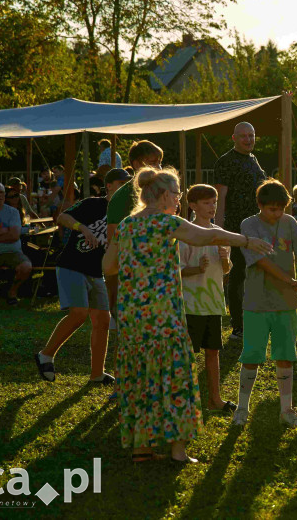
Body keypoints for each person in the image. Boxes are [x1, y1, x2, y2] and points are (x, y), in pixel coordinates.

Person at [101, 166, 272, 463]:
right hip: (163, 312)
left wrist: (138, 261)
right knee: (173, 374)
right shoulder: (167, 222)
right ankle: (177, 449)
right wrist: (246, 241)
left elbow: (108, 267)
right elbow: (206, 236)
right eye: (178, 194)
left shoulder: (127, 226)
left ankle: (142, 446)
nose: (179, 200)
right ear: (166, 194)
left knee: (141, 375)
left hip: (132, 314)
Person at [232, 179, 297, 427]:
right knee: (252, 355)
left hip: (285, 304)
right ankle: (242, 408)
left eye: (281, 208)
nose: (277, 213)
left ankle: (286, 410)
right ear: (260, 205)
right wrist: (292, 281)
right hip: (256, 301)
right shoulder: (249, 224)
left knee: (285, 355)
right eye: (272, 209)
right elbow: (260, 260)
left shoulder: (290, 222)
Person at [35, 169, 129, 384]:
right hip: (72, 265)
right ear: (110, 187)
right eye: (122, 184)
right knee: (79, 312)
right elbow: (62, 216)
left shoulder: (127, 213)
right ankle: (45, 355)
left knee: (103, 321)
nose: (127, 189)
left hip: (97, 272)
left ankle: (97, 374)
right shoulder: (92, 204)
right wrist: (83, 228)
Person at [180, 184, 236, 412]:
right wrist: (195, 268)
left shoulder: (219, 234)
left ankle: (215, 398)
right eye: (206, 202)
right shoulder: (185, 234)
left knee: (213, 353)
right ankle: (185, 400)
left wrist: (224, 259)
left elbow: (225, 270)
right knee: (186, 355)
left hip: (213, 302)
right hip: (190, 304)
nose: (212, 206)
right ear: (192, 206)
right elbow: (176, 270)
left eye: (214, 202)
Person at [214, 121, 268, 341]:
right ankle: (238, 327)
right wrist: (217, 230)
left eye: (252, 135)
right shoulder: (226, 162)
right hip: (236, 228)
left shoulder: (253, 159)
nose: (248, 139)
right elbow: (220, 198)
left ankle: (254, 320)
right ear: (234, 138)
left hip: (258, 226)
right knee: (238, 275)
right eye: (244, 136)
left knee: (256, 273)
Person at [106, 140, 164, 334]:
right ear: (138, 164)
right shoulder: (122, 197)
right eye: (153, 162)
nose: (159, 167)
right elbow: (113, 239)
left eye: (160, 162)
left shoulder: (162, 192)